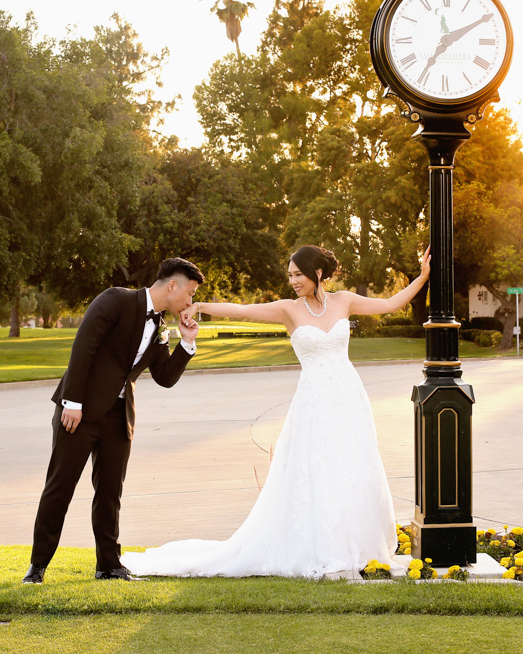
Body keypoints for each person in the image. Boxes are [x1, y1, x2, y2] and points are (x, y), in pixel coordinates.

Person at [122, 244, 431, 579]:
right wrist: (200, 305)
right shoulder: (288, 309)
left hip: (349, 397)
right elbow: (243, 310)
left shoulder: (345, 301)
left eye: (298, 274)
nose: (293, 281)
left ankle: (354, 545)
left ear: (317, 273)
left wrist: (423, 276)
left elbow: (390, 304)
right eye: (289, 275)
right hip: (313, 402)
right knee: (316, 470)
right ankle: (321, 547)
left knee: (352, 466)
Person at [23, 258, 204, 584]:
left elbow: (163, 376)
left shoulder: (162, 326)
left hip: (119, 418)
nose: (191, 302)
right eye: (190, 293)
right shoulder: (115, 299)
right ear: (172, 285)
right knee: (60, 487)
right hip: (79, 412)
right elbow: (83, 349)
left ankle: (109, 566)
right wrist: (73, 402)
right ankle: (37, 567)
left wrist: (187, 342)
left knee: (109, 493)